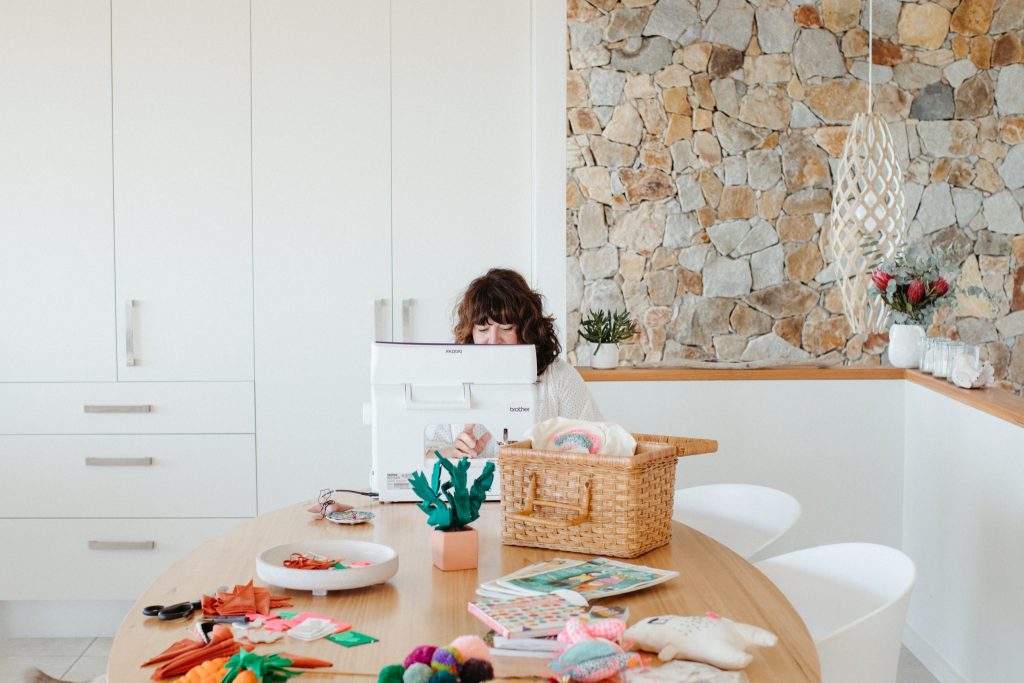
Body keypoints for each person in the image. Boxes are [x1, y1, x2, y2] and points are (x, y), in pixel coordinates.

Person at [425, 268, 603, 460]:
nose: (494, 341)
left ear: (527, 329)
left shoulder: (559, 377)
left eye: (506, 328)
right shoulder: (453, 378)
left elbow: (597, 446)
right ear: (471, 332)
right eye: (483, 329)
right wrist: (452, 452)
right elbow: (422, 452)